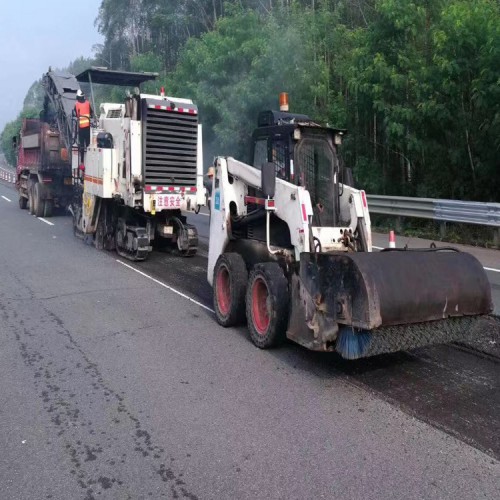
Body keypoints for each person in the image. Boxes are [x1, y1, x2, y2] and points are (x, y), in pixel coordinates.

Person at [74, 90, 93, 165]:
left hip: (81, 127)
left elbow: (76, 114)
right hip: (88, 127)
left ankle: (82, 161)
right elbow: (91, 113)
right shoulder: (88, 103)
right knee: (88, 144)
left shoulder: (77, 104)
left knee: (81, 145)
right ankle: (89, 161)